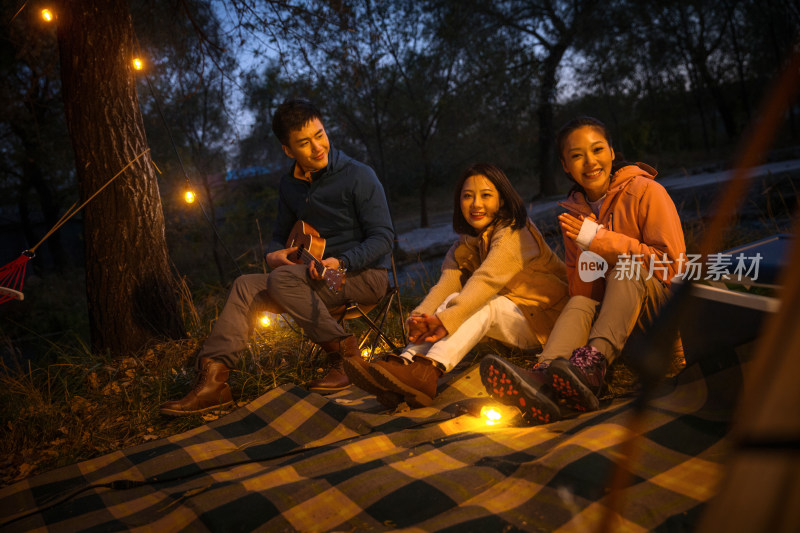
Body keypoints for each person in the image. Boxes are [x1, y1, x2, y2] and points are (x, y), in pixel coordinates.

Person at [160, 98, 394, 416]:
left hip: (359, 275)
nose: (317, 147)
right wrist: (273, 255)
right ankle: (214, 383)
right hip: (306, 279)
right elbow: (277, 236)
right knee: (245, 284)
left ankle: (347, 359)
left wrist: (341, 262)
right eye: (304, 142)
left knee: (283, 280)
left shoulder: (358, 176)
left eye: (320, 135)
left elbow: (384, 238)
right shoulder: (290, 185)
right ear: (288, 149)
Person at [480, 116, 686, 422]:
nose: (590, 162)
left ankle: (592, 366)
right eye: (577, 155)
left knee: (626, 268)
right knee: (579, 300)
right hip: (620, 330)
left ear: (613, 153)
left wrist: (599, 239)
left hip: (662, 325)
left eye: (597, 150)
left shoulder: (646, 192)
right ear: (565, 166)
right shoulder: (574, 213)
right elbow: (584, 292)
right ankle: (544, 379)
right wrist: (586, 249)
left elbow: (674, 267)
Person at [344, 163, 569, 416]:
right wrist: (419, 318)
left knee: (484, 302)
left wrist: (445, 319)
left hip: (546, 322)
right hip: (515, 319)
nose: (476, 204)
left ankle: (428, 371)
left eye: (486, 195)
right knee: (454, 297)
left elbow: (485, 281)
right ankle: (404, 366)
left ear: (502, 200)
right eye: (467, 196)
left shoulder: (516, 231)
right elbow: (446, 285)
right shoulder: (465, 243)